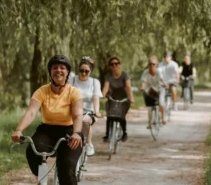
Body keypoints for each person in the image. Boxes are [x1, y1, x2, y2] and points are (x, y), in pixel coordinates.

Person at [11, 55, 84, 185]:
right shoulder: (42, 91)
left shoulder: (74, 92)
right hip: (47, 130)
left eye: (62, 68)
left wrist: (77, 133)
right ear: (50, 71)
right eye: (55, 68)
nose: (58, 70)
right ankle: (41, 178)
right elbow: (31, 112)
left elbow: (77, 115)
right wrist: (19, 130)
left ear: (67, 72)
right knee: (33, 152)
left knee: (66, 170)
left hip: (70, 131)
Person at [71, 56, 102, 156]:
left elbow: (95, 97)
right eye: (81, 70)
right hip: (73, 110)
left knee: (85, 120)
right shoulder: (71, 80)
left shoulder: (94, 82)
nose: (83, 73)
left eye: (86, 71)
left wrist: (96, 111)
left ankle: (88, 143)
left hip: (88, 111)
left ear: (91, 71)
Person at [102, 56, 135, 142]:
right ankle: (107, 135)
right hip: (113, 98)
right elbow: (106, 87)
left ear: (119, 65)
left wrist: (131, 97)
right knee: (110, 116)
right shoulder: (108, 76)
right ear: (110, 66)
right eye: (112, 64)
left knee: (121, 116)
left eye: (116, 64)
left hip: (124, 99)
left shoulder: (125, 75)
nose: (114, 66)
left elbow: (128, 87)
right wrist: (103, 95)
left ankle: (124, 133)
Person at [140, 55, 168, 126]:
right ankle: (149, 122)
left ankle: (163, 117)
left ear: (156, 65)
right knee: (149, 105)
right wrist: (142, 87)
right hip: (150, 90)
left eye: (153, 64)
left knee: (161, 103)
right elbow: (144, 81)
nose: (151, 66)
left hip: (159, 89)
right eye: (150, 64)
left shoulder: (158, 71)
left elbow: (162, 79)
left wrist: (165, 84)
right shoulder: (146, 72)